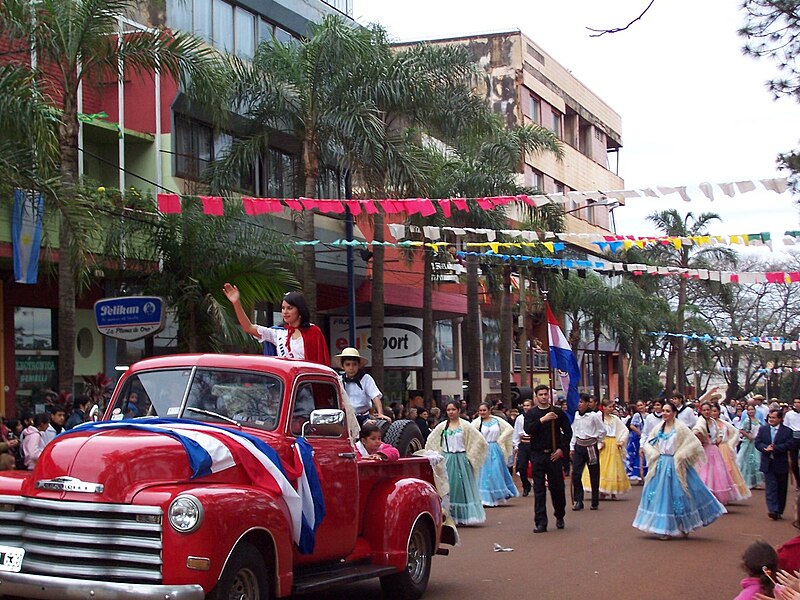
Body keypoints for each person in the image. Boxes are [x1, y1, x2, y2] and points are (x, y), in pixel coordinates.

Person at [632, 400, 726, 539]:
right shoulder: (658, 428)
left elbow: (693, 444)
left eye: (668, 411)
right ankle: (664, 528)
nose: (664, 413)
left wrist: (681, 455)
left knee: (681, 495)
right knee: (660, 496)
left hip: (677, 465)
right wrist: (653, 453)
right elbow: (649, 442)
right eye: (663, 411)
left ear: (674, 413)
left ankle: (684, 524)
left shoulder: (681, 428)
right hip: (661, 465)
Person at [223, 284, 330, 366]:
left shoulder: (313, 331)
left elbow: (321, 361)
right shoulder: (278, 332)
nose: (285, 312)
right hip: (286, 383)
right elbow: (248, 327)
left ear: (300, 310)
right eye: (283, 308)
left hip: (306, 384)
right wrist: (236, 303)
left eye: (290, 308)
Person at [426, 401, 488, 525]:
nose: (451, 412)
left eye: (453, 409)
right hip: (447, 459)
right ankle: (449, 515)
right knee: (448, 487)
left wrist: (470, 455)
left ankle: (464, 516)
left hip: (461, 460)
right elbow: (431, 440)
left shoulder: (466, 425)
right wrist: (437, 455)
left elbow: (479, 440)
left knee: (462, 487)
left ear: (459, 410)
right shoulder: (443, 426)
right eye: (448, 410)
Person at [524, 384, 572, 533]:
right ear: (536, 397)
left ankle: (559, 515)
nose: (544, 397)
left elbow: (568, 432)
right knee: (539, 490)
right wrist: (543, 419)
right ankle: (541, 522)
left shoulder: (557, 412)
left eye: (546, 394)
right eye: (541, 395)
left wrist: (560, 449)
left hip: (554, 455)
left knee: (557, 488)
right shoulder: (531, 414)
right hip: (538, 455)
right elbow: (528, 429)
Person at [472, 402, 518, 506]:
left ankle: (497, 497)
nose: (482, 412)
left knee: (496, 472)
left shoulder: (497, 420)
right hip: (483, 450)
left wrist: (501, 439)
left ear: (489, 410)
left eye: (484, 410)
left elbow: (509, 429)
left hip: (495, 449)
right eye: (480, 411)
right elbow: (470, 433)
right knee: (484, 473)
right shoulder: (476, 423)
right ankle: (484, 499)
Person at [585, 397, 630, 499]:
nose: (611, 409)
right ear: (603, 407)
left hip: (613, 444)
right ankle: (602, 490)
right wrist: (599, 440)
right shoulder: (598, 417)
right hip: (603, 444)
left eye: (612, 407)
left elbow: (624, 430)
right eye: (609, 407)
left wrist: (621, 441)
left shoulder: (615, 419)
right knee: (601, 466)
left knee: (614, 466)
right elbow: (592, 429)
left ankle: (613, 490)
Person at [334, 347, 389, 425]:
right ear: (343, 366)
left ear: (359, 365)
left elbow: (375, 397)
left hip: (364, 417)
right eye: (348, 364)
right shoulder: (339, 380)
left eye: (354, 364)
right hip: (345, 418)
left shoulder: (366, 378)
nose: (351, 368)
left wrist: (380, 413)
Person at [755, 408, 793, 520]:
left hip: (781, 463)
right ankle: (773, 510)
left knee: (781, 488)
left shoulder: (787, 431)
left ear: (780, 419)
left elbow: (789, 444)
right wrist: (765, 448)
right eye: (770, 417)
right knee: (771, 487)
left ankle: (779, 510)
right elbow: (758, 443)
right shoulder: (763, 429)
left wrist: (775, 448)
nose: (771, 420)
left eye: (774, 418)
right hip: (768, 463)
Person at [570, 393, 606, 511]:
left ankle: (595, 501)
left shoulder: (594, 416)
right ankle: (578, 500)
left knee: (594, 474)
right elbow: (574, 431)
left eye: (581, 402)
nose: (579, 404)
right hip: (579, 447)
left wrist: (597, 441)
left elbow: (602, 431)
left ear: (587, 403)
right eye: (578, 402)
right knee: (576, 474)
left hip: (591, 447)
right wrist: (572, 446)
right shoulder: (576, 415)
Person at [711, 403, 752, 501]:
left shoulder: (724, 423)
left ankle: (725, 493)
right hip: (712, 449)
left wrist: (730, 444)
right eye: (712, 411)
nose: (713, 413)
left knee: (725, 471)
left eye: (715, 411)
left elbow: (736, 432)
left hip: (723, 448)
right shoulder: (707, 423)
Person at [737, 403, 764, 489]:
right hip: (748, 443)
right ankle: (747, 482)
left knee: (757, 462)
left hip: (756, 443)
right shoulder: (747, 421)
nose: (751, 411)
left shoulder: (758, 420)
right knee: (747, 462)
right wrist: (749, 437)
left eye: (752, 409)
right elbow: (741, 430)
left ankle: (756, 482)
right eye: (749, 410)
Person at [513, 399, 533, 497]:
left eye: (528, 405)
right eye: (524, 405)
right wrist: (516, 445)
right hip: (523, 444)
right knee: (521, 466)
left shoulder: (535, 416)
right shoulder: (519, 418)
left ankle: (538, 484)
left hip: (534, 444)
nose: (526, 407)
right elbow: (516, 432)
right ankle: (526, 485)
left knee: (536, 466)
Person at [627, 400, 647, 484]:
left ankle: (643, 475)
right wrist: (640, 433)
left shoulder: (649, 416)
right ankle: (638, 476)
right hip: (637, 439)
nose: (640, 407)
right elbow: (631, 426)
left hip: (646, 438)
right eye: (638, 406)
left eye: (641, 405)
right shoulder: (636, 415)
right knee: (638, 456)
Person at [783, 397, 800, 490]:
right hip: (793, 438)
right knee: (793, 462)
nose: (797, 404)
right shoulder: (789, 414)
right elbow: (786, 427)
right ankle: (798, 481)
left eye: (799, 402)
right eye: (795, 402)